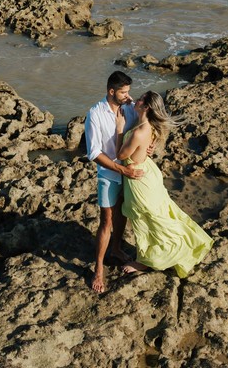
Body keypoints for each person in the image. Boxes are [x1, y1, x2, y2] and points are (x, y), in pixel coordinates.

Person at [116, 91, 212, 278]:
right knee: (158, 216)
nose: (136, 99)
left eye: (140, 99)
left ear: (147, 107)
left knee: (144, 219)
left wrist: (120, 129)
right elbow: (145, 144)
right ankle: (178, 246)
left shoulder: (138, 132)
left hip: (138, 179)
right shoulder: (151, 126)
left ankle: (144, 262)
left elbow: (120, 155)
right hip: (148, 172)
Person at [84, 70, 144, 294]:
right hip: (109, 175)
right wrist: (121, 169)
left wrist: (149, 145)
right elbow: (94, 152)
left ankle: (116, 248)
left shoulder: (129, 108)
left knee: (123, 213)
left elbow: (144, 127)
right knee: (106, 220)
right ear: (111, 91)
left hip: (128, 172)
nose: (128, 95)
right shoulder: (95, 114)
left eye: (128, 91)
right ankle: (98, 268)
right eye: (123, 92)